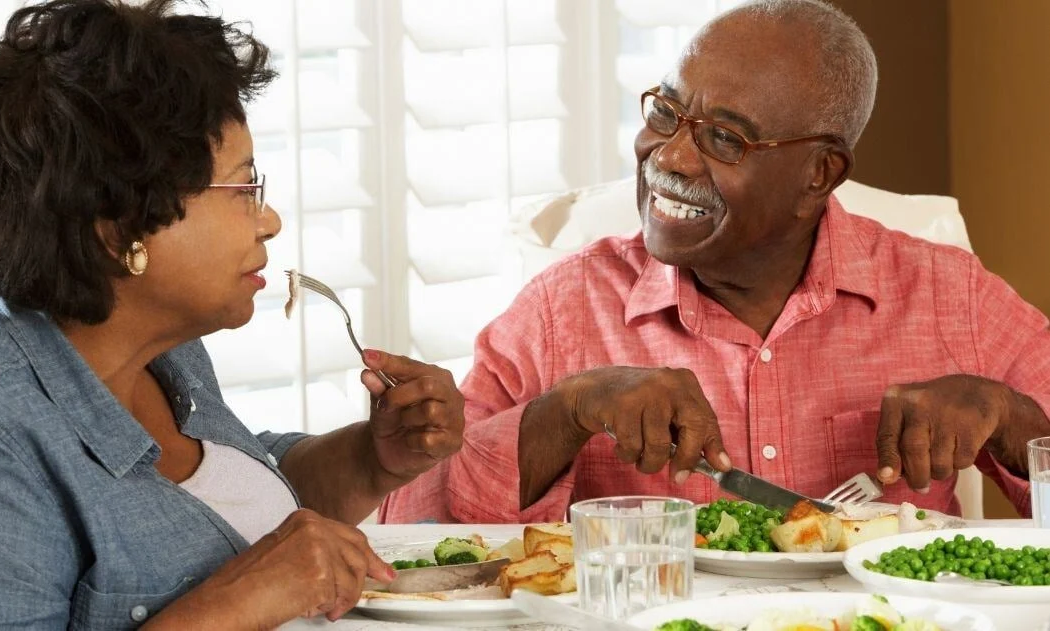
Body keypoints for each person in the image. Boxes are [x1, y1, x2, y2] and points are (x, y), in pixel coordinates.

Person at [0, 0, 465, 628]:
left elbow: (222, 509)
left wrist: (371, 459)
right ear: (120, 228)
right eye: (243, 187)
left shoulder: (141, 335)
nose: (270, 220)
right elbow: (249, 578)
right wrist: (233, 605)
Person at [378, 0, 1050, 525]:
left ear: (819, 172)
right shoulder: (563, 309)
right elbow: (409, 525)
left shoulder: (945, 294)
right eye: (666, 112)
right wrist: (566, 411)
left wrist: (1008, 415)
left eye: (724, 138)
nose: (668, 156)